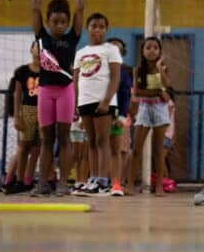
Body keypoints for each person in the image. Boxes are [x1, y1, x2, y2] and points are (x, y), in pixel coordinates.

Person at [30, 0, 84, 197]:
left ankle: (63, 183)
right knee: (46, 139)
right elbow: (35, 7)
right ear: (49, 21)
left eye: (64, 22)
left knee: (64, 139)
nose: (60, 26)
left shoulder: (73, 37)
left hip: (65, 92)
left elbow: (80, 8)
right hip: (45, 91)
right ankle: (43, 183)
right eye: (56, 22)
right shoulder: (41, 35)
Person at [73, 13, 122, 196]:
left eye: (102, 26)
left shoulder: (110, 50)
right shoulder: (80, 52)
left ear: (106, 30)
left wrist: (107, 101)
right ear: (87, 28)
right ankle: (93, 179)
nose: (98, 30)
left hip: (103, 102)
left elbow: (116, 77)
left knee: (102, 141)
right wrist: (76, 105)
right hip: (85, 101)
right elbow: (77, 80)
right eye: (94, 26)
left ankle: (103, 181)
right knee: (91, 142)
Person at [126, 37, 172, 196]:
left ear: (160, 52)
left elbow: (167, 85)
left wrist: (160, 69)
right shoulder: (138, 70)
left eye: (155, 48)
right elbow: (138, 92)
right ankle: (130, 184)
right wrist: (159, 92)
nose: (152, 51)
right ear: (142, 51)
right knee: (137, 149)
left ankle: (159, 186)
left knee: (159, 151)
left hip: (160, 109)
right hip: (145, 107)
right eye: (148, 48)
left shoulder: (163, 68)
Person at [4, 42, 42, 194]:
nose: (39, 50)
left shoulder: (48, 72)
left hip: (43, 111)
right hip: (27, 110)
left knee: (37, 147)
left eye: (42, 48)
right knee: (24, 145)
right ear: (30, 49)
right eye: (36, 47)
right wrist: (17, 116)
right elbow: (17, 94)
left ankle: (28, 180)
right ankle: (18, 180)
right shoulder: (22, 71)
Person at [108, 37, 132, 197]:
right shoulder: (97, 70)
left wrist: (122, 117)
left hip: (117, 114)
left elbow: (126, 95)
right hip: (98, 114)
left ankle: (117, 182)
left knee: (120, 149)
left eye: (119, 50)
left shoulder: (124, 72)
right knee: (98, 148)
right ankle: (99, 180)